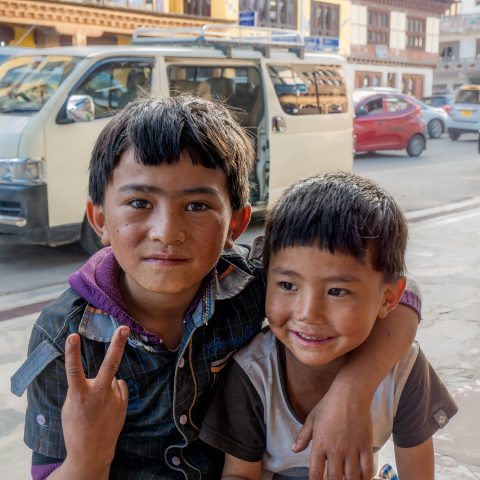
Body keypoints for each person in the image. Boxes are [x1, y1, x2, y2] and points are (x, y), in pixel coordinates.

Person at [11, 95, 420, 480]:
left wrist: (351, 393)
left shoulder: (246, 284)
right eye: (139, 203)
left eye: (197, 206)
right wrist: (86, 457)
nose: (167, 233)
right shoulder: (65, 339)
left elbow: (398, 297)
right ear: (99, 218)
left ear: (237, 224)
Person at [199, 172, 458, 479]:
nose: (309, 313)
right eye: (287, 285)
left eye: (337, 291)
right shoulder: (253, 375)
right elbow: (240, 474)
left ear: (388, 299)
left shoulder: (404, 372)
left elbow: (418, 472)